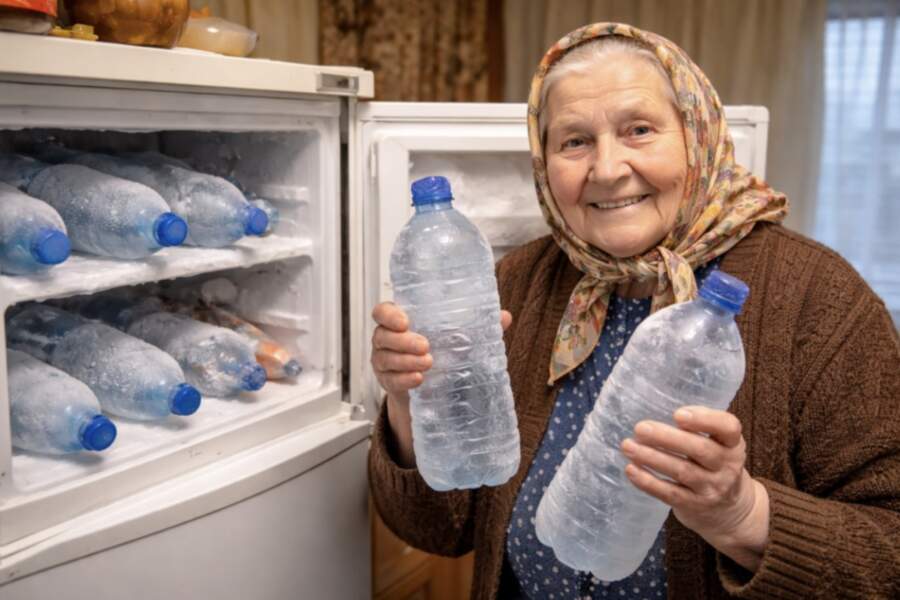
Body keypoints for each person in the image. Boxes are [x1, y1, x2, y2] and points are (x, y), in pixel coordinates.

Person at [368, 22, 900, 599]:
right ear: (544, 164)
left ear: (697, 135)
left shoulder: (821, 300)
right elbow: (436, 530)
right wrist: (409, 397)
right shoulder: (517, 280)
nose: (607, 169)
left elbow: (889, 554)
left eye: (639, 130)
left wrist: (742, 514)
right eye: (573, 141)